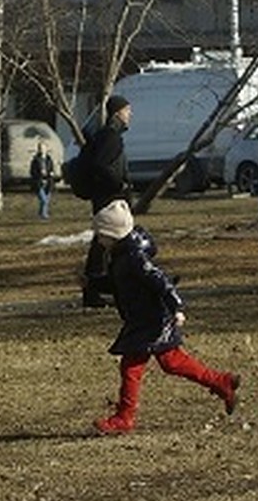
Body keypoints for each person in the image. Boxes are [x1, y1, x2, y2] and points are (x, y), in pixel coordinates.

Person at [90, 199, 238, 434]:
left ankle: (124, 418)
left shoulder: (135, 258)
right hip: (145, 320)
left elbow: (162, 282)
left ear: (114, 234)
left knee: (132, 368)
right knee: (172, 362)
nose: (98, 240)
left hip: (152, 321)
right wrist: (93, 282)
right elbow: (120, 284)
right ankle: (221, 381)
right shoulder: (121, 256)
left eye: (101, 235)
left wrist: (177, 307)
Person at [80, 94, 133, 308]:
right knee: (109, 243)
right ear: (118, 113)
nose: (131, 115)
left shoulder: (107, 136)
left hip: (107, 198)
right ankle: (100, 287)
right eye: (128, 111)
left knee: (105, 244)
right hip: (110, 199)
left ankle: (97, 287)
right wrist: (118, 184)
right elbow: (101, 166)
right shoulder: (111, 138)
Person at [30, 141, 56, 219]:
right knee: (43, 200)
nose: (42, 150)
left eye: (43, 148)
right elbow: (32, 172)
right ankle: (44, 215)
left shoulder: (49, 159)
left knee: (46, 201)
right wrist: (39, 173)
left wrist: (51, 173)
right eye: (40, 148)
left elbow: (51, 169)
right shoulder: (35, 160)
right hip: (39, 182)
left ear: (46, 149)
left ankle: (41, 214)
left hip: (48, 182)